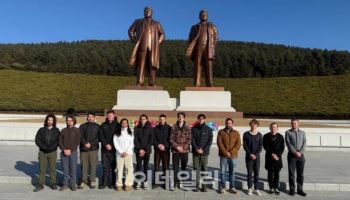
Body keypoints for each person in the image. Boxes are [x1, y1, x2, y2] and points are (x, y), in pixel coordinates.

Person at [128, 6, 165, 86]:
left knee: (152, 65)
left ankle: (152, 83)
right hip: (142, 46)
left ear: (152, 12)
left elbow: (162, 34)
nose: (148, 11)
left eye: (149, 10)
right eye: (146, 10)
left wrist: (157, 43)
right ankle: (139, 82)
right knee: (141, 64)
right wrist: (135, 40)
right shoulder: (138, 22)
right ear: (144, 12)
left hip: (153, 47)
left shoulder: (157, 23)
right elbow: (130, 31)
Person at [187, 10, 218, 87]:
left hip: (208, 47)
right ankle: (197, 83)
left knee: (209, 66)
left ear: (207, 16)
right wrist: (193, 47)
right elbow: (190, 38)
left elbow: (216, 37)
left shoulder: (212, 26)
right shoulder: (194, 27)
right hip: (198, 47)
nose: (204, 15)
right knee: (197, 65)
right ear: (199, 16)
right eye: (202, 14)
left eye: (205, 14)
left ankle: (209, 83)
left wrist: (212, 46)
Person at [33, 114, 60, 192]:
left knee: (52, 169)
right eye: (49, 120)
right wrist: (44, 147)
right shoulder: (41, 130)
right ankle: (40, 184)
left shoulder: (56, 130)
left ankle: (53, 183)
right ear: (46, 120)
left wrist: (51, 148)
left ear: (53, 121)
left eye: (51, 120)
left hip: (52, 152)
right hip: (42, 152)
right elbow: (37, 140)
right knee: (42, 169)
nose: (50, 121)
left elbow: (58, 141)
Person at [217, 118, 241, 194]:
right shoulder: (221, 132)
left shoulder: (236, 133)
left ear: (232, 124)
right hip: (224, 156)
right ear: (225, 123)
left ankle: (232, 187)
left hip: (233, 156)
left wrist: (231, 152)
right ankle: (223, 187)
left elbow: (238, 144)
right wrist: (225, 152)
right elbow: (219, 143)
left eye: (230, 123)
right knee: (222, 172)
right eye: (227, 123)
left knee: (232, 172)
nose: (228, 124)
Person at [191, 114, 213, 192]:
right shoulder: (193, 129)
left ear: (204, 119)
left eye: (202, 118)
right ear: (198, 119)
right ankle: (196, 186)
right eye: (199, 118)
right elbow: (192, 140)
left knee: (204, 169)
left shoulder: (208, 129)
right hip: (195, 152)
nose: (201, 120)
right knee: (196, 168)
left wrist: (203, 149)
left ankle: (204, 187)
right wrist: (197, 149)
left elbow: (210, 141)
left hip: (204, 153)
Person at [170, 112, 192, 191]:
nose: (180, 118)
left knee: (183, 167)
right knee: (175, 167)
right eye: (179, 117)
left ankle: (182, 181)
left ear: (184, 118)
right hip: (176, 151)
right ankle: (175, 182)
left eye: (182, 117)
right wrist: (177, 147)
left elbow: (189, 139)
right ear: (177, 118)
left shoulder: (188, 127)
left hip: (184, 151)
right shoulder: (173, 127)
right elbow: (171, 139)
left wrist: (184, 147)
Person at [78, 112, 100, 189]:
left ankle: (92, 180)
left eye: (91, 117)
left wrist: (91, 144)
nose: (90, 118)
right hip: (83, 149)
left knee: (93, 165)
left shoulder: (98, 127)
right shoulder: (82, 126)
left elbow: (98, 138)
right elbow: (80, 136)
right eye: (89, 116)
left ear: (94, 117)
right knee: (84, 165)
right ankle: (84, 180)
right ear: (87, 118)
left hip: (93, 149)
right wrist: (85, 143)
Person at [285, 119, 307, 197]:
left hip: (301, 155)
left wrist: (300, 152)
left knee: (300, 174)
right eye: (292, 123)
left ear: (298, 124)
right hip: (292, 155)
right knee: (292, 173)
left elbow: (304, 143)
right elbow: (288, 143)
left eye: (295, 123)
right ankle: (292, 189)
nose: (294, 124)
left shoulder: (303, 133)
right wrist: (295, 152)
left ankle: (300, 189)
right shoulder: (288, 132)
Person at [59, 115, 81, 191]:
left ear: (74, 121)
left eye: (71, 120)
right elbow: (60, 141)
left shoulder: (77, 130)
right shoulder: (63, 130)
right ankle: (65, 184)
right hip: (64, 152)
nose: (69, 122)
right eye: (68, 120)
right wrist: (64, 149)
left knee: (73, 169)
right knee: (65, 169)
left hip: (73, 152)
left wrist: (70, 150)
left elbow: (77, 142)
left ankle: (72, 184)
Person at [99, 110, 119, 189]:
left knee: (113, 167)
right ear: (106, 116)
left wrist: (112, 145)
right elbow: (101, 136)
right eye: (108, 115)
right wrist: (106, 144)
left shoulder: (118, 125)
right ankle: (104, 182)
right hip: (104, 149)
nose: (110, 117)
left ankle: (113, 183)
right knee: (105, 167)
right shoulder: (103, 125)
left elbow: (118, 137)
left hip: (114, 150)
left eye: (111, 115)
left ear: (114, 115)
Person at [263, 122, 285, 195]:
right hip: (269, 157)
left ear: (277, 128)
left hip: (277, 158)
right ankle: (271, 188)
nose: (273, 128)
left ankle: (276, 187)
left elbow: (282, 148)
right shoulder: (266, 136)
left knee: (277, 174)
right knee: (270, 173)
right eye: (272, 127)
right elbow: (266, 146)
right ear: (270, 128)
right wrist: (272, 154)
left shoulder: (281, 137)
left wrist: (277, 155)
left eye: (275, 127)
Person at [243, 119, 263, 196]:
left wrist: (256, 154)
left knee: (257, 173)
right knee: (249, 173)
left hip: (257, 158)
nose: (254, 126)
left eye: (255, 124)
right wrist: (250, 154)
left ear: (257, 125)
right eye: (252, 124)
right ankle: (249, 188)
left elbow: (260, 146)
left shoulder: (259, 135)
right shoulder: (246, 134)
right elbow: (245, 146)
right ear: (250, 125)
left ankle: (256, 189)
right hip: (248, 157)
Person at [134, 114, 154, 190]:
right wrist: (140, 149)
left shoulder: (150, 128)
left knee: (146, 166)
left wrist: (145, 149)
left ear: (146, 120)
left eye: (144, 119)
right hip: (138, 150)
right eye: (141, 119)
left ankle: (145, 181)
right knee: (139, 165)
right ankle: (138, 181)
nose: (142, 120)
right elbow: (135, 139)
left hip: (147, 151)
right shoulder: (136, 128)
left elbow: (151, 139)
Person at [113, 118, 134, 192]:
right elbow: (115, 143)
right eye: (122, 123)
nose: (124, 124)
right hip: (119, 154)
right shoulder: (117, 132)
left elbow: (132, 143)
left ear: (127, 124)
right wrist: (121, 151)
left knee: (129, 169)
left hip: (128, 153)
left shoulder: (131, 132)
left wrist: (126, 152)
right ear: (120, 124)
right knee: (119, 169)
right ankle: (119, 184)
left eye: (125, 123)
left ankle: (128, 184)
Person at [153, 114, 171, 189]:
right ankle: (157, 182)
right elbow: (153, 139)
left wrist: (165, 146)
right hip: (157, 150)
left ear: (165, 119)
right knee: (156, 167)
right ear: (159, 120)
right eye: (161, 119)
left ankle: (166, 183)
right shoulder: (155, 128)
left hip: (166, 150)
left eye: (163, 119)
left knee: (166, 167)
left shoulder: (169, 128)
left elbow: (170, 139)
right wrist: (158, 145)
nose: (162, 120)